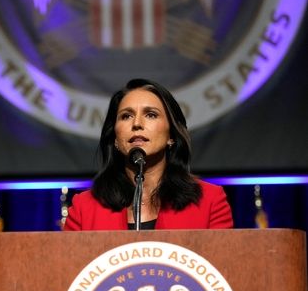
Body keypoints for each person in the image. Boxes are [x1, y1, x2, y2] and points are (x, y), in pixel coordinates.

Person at [64, 78, 233, 231]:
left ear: (171, 136)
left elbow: (221, 264)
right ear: (115, 138)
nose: (137, 124)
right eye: (126, 116)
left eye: (151, 115)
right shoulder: (83, 208)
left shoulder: (210, 201)